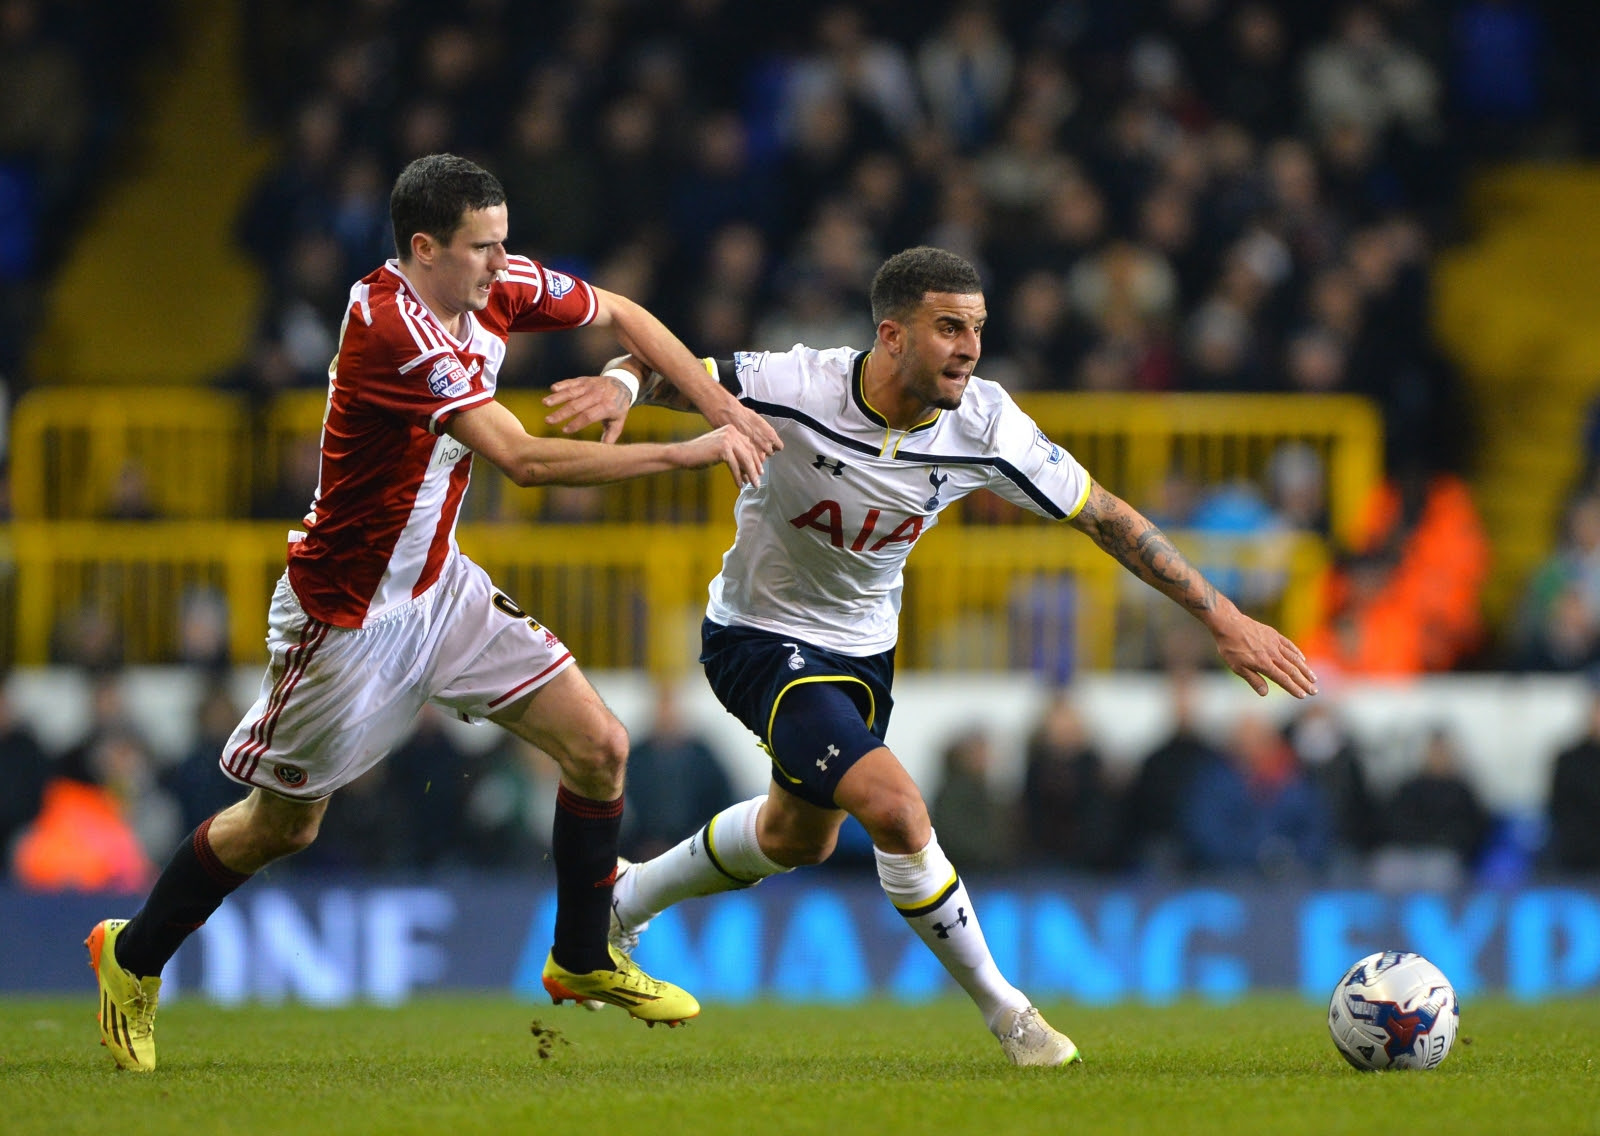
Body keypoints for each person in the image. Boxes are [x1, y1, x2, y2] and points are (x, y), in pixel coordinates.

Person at [86, 152, 780, 1072]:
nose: (503, 264)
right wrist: (686, 451)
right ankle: (129, 957)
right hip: (348, 618)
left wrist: (715, 401)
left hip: (439, 586)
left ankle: (582, 955)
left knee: (601, 747)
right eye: (482, 248)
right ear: (424, 247)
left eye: (504, 242)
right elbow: (523, 462)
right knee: (283, 826)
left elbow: (620, 312)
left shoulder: (488, 283)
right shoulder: (391, 327)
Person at [548, 246, 1317, 1066]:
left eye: (977, 329)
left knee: (797, 837)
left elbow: (1107, 516)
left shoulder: (985, 425)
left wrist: (1223, 616)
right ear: (891, 335)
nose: (969, 348)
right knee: (898, 810)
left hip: (866, 653)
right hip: (757, 636)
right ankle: (1013, 1017)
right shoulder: (795, 383)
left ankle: (626, 898)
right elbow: (668, 368)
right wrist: (623, 384)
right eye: (949, 328)